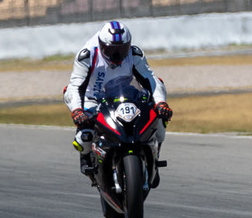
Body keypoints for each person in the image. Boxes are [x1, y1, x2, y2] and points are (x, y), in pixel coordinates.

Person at [65, 20, 172, 175]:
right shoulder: (88, 55)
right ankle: (86, 156)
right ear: (101, 45)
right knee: (84, 137)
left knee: (159, 118)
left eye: (122, 50)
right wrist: (77, 111)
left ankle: (155, 154)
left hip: (124, 92)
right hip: (92, 97)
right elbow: (75, 87)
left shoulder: (134, 54)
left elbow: (151, 80)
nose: (117, 55)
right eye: (111, 50)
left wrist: (161, 103)